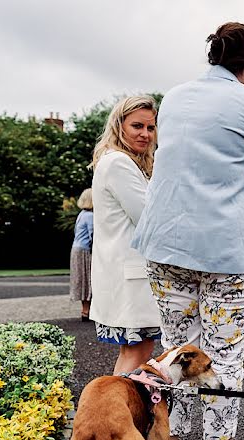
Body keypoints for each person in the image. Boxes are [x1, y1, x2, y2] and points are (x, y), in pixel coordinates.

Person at [131, 22, 244, 440]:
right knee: (223, 357)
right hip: (226, 251)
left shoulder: (176, 98)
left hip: (167, 244)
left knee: (176, 352)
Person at [89, 96, 161, 376]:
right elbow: (147, 218)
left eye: (151, 127)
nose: (145, 134)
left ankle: (115, 415)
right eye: (137, 126)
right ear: (119, 125)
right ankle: (111, 416)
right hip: (131, 275)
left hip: (127, 273)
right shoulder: (119, 162)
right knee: (136, 354)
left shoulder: (123, 161)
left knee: (136, 353)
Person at [69, 188, 94, 322]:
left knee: (81, 279)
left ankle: (85, 310)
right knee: (88, 279)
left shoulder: (81, 215)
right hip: (85, 251)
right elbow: (93, 236)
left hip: (76, 249)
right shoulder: (90, 216)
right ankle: (88, 310)